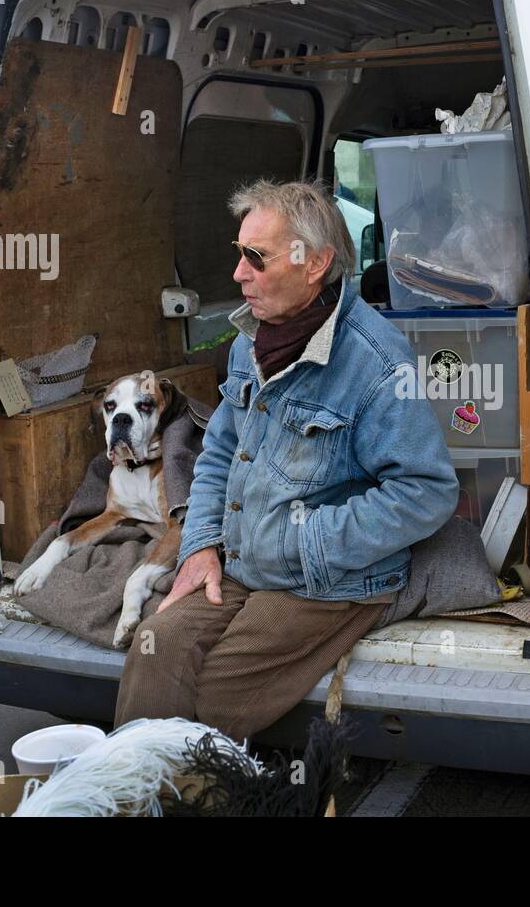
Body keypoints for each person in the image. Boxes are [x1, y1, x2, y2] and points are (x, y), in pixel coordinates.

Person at [114, 179, 458, 739]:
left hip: (328, 578)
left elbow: (426, 492)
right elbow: (220, 450)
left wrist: (304, 542)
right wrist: (200, 544)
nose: (238, 274)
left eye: (257, 257)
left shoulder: (375, 362)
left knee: (216, 699)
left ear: (315, 262)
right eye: (239, 255)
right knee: (155, 649)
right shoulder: (250, 343)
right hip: (242, 558)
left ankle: (199, 790)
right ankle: (139, 797)